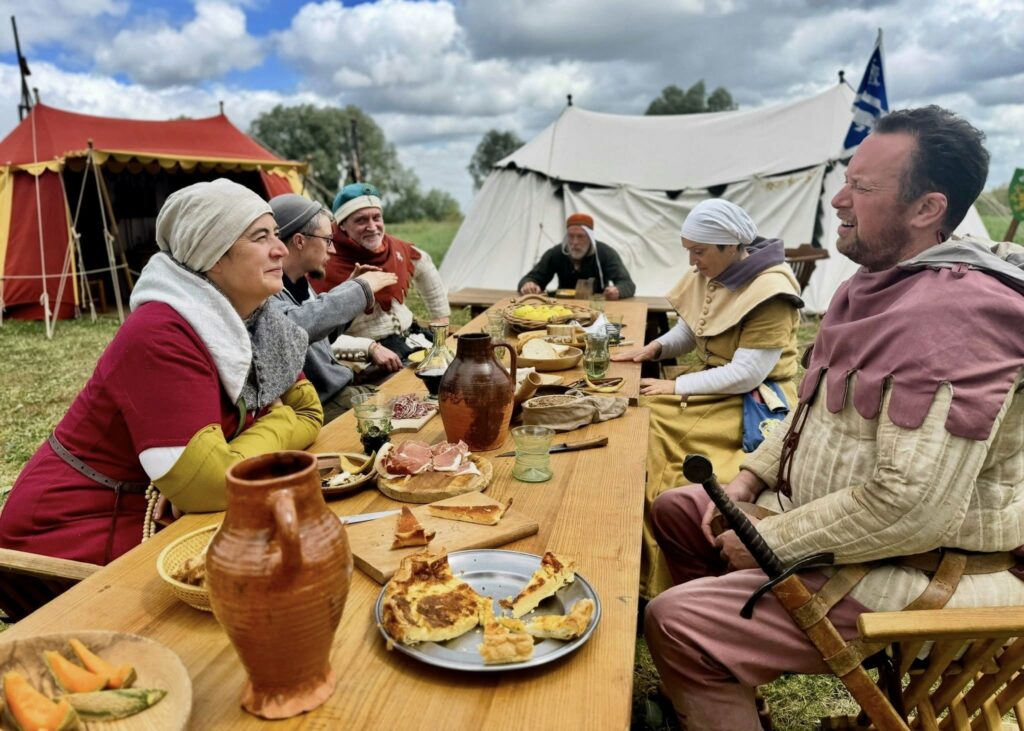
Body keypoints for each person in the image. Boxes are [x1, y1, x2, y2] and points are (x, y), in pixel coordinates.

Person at [643, 106, 1024, 731]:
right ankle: (735, 667)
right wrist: (747, 482)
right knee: (680, 511)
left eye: (863, 189)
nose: (839, 199)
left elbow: (911, 507)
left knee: (675, 623)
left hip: (920, 571)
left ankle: (709, 655)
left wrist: (772, 541)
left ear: (928, 209)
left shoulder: (954, 315)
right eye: (846, 180)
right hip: (841, 526)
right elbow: (807, 410)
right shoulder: (878, 285)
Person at [0, 179, 323, 566]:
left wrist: (221, 462)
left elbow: (312, 413)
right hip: (69, 530)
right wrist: (281, 419)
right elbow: (210, 484)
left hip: (159, 507)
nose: (281, 249)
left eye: (276, 234)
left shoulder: (263, 323)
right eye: (260, 237)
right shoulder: (159, 332)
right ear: (213, 256)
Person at [611, 198, 802, 597]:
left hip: (755, 399)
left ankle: (658, 580)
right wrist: (653, 350)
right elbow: (694, 329)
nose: (693, 262)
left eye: (699, 252)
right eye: (689, 251)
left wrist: (675, 386)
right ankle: (629, 557)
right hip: (716, 383)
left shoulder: (771, 291)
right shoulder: (716, 271)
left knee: (657, 434)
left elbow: (748, 373)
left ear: (731, 246)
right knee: (638, 414)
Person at [267, 194, 398, 422]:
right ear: (299, 241)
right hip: (320, 405)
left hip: (338, 392)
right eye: (328, 240)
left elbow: (320, 336)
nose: (333, 250)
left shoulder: (298, 283)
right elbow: (295, 327)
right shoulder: (265, 290)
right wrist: (359, 289)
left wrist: (349, 289)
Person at [310, 182, 449, 369]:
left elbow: (425, 264)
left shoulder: (395, 248)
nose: (372, 227)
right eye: (361, 220)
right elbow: (316, 336)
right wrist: (368, 348)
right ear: (342, 225)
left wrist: (440, 316)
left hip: (413, 339)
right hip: (368, 358)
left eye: (377, 217)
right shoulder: (323, 261)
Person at [518, 212, 636, 299]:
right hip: (562, 308)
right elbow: (531, 278)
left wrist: (618, 290)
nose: (574, 242)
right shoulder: (557, 253)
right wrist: (529, 285)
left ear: (590, 237)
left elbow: (627, 284)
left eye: (580, 236)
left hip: (597, 309)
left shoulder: (605, 253)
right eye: (571, 236)